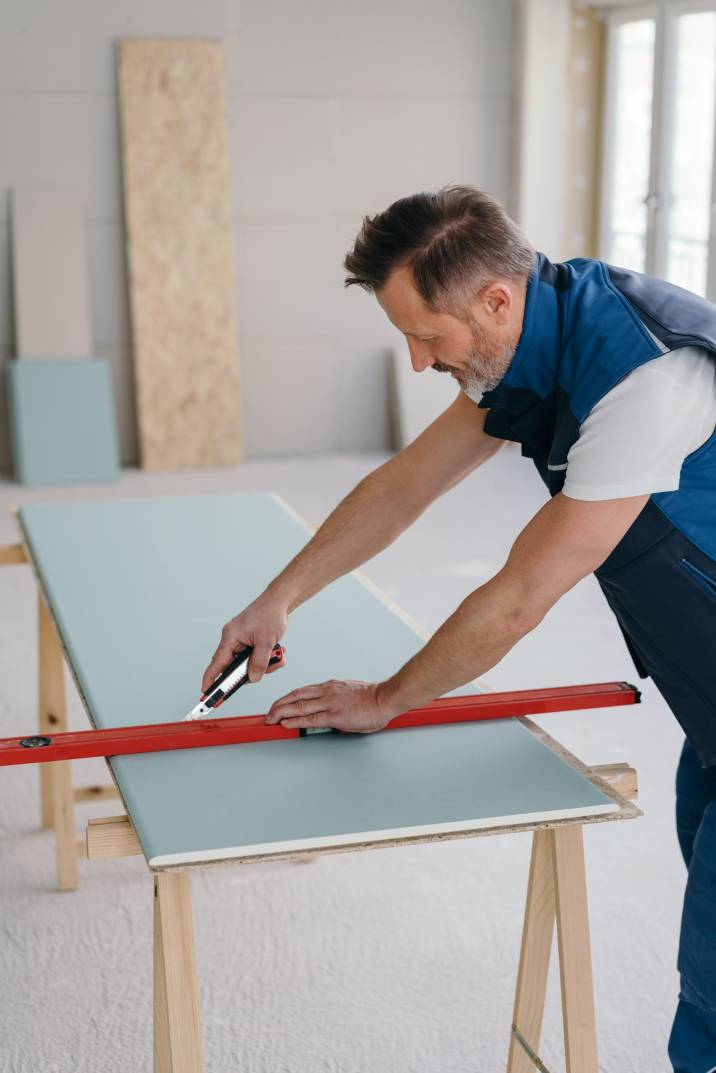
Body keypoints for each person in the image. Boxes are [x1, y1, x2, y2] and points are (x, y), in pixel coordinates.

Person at [202, 186, 716, 1072]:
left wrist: (386, 698)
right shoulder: (532, 341)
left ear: (494, 301)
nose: (413, 360)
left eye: (426, 335)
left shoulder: (643, 377)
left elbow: (521, 593)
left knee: (709, 989)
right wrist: (279, 597)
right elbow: (406, 485)